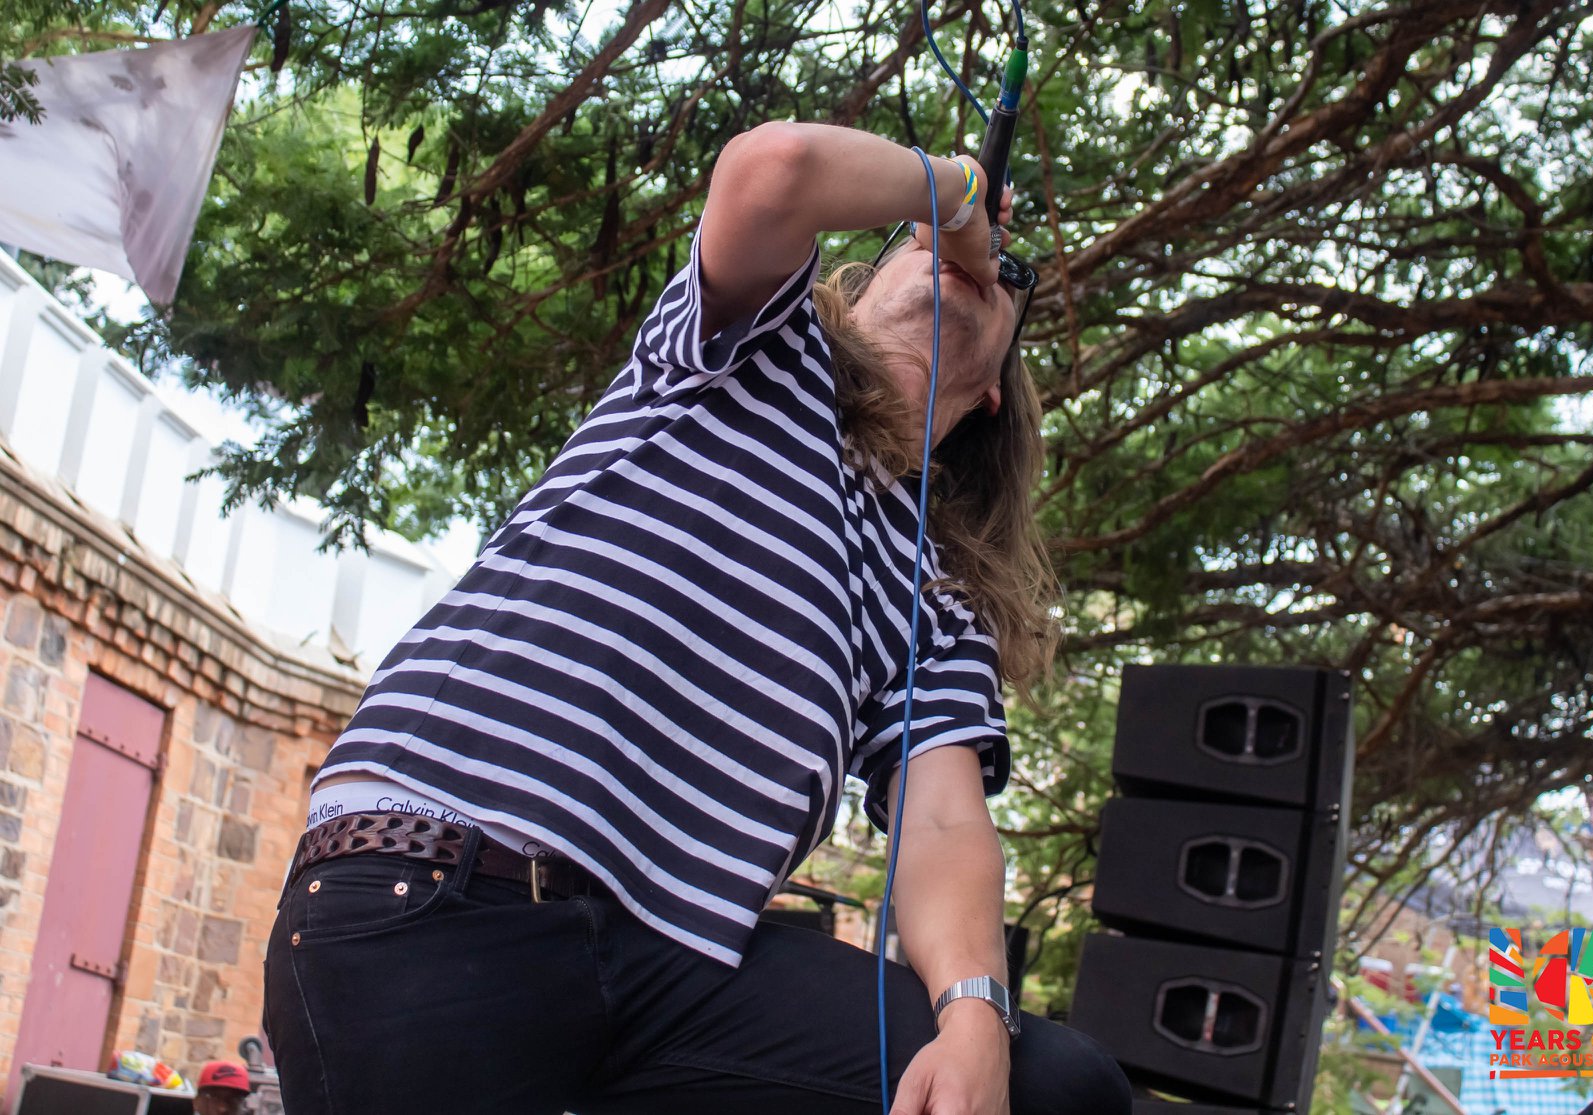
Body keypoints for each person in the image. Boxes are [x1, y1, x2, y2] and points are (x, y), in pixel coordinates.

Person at [261, 120, 1132, 1115]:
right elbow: (776, 173)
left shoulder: (936, 601)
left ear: (995, 396)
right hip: (449, 886)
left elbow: (941, 819)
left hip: (674, 975)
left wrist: (975, 1014)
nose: (972, 269)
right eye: (921, 244)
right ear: (855, 288)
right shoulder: (756, 351)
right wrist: (959, 193)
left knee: (1061, 1088)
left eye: (1004, 277)